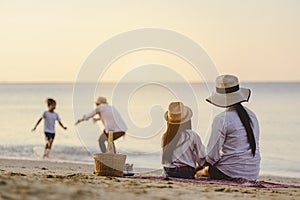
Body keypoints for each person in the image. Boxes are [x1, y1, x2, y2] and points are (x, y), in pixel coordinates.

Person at [195, 74, 261, 181]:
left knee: (200, 172)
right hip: (253, 172)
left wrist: (202, 164)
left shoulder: (222, 119)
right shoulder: (251, 115)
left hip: (229, 172)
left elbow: (212, 156)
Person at [162, 102, 206, 179]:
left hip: (168, 171)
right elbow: (201, 157)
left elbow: (165, 160)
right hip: (185, 172)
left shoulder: (165, 136)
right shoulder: (192, 135)